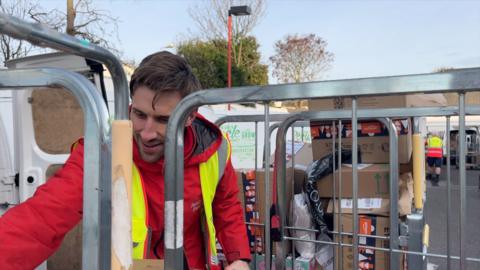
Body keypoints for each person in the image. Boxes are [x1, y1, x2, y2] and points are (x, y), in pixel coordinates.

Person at [0, 51, 251, 270]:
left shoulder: (215, 150)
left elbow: (227, 206)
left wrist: (239, 258)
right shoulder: (102, 151)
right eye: (140, 114)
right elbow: (42, 218)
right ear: (129, 106)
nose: (147, 132)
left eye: (164, 120)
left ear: (190, 117)